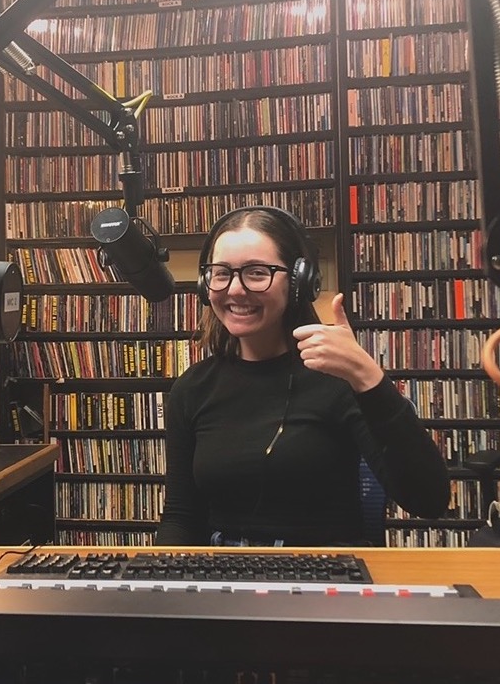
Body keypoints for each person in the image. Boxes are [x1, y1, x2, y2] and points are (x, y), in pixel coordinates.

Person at [155, 206, 450, 546]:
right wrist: (163, 581)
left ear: (299, 281)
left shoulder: (338, 379)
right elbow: (181, 516)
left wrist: (368, 378)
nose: (235, 290)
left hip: (326, 582)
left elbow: (429, 501)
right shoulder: (191, 388)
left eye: (256, 272)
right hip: (228, 580)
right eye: (221, 273)